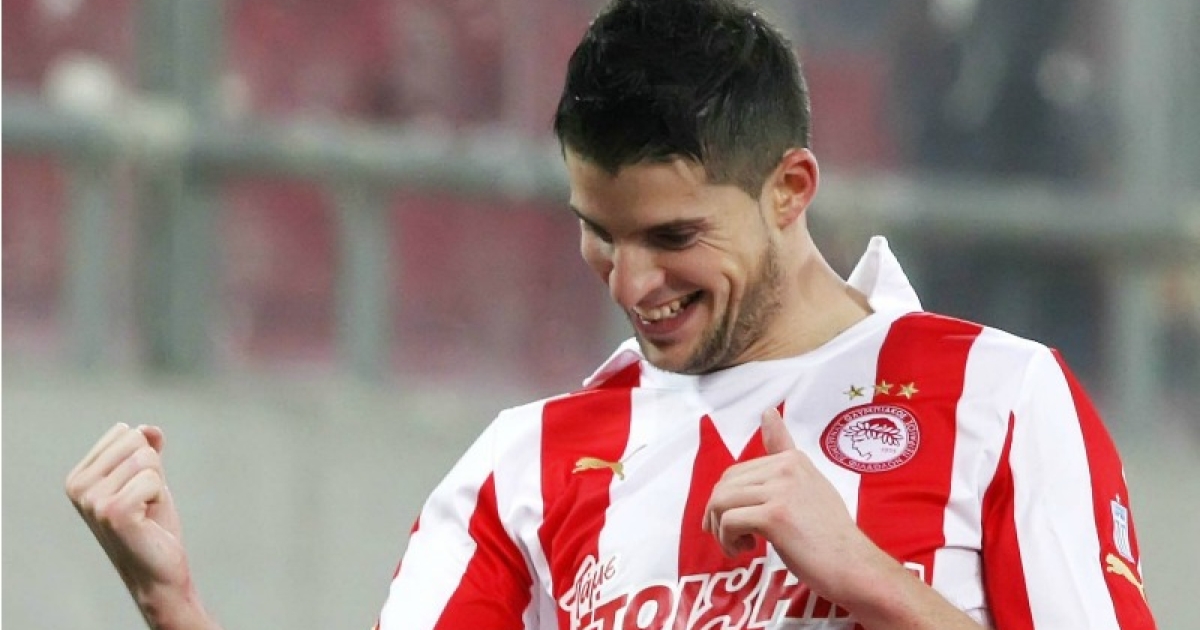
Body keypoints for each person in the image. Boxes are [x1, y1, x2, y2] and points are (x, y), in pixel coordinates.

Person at [65, 0, 1158, 628]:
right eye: (600, 231)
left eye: (674, 237)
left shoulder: (1002, 397)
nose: (632, 284)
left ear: (790, 189)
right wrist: (175, 607)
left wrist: (867, 577)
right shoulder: (525, 468)